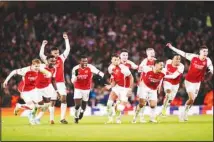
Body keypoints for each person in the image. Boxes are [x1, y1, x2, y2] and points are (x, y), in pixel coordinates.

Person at [166, 43, 213, 121]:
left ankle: (184, 113)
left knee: (192, 101)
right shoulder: (193, 57)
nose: (205, 53)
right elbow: (182, 53)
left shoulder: (208, 60)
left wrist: (211, 71)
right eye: (204, 51)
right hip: (189, 81)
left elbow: (211, 68)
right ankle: (184, 113)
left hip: (197, 83)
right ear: (200, 52)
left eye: (207, 52)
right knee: (191, 98)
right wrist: (172, 47)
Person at [3, 59, 51, 125]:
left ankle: (32, 118)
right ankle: (19, 106)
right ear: (32, 65)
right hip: (25, 91)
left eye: (38, 66)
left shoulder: (39, 68)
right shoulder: (25, 70)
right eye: (36, 66)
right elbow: (13, 72)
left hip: (33, 89)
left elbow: (48, 73)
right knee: (32, 106)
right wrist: (6, 81)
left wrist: (48, 75)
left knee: (41, 105)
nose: (37, 68)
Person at [39, 33, 71, 124]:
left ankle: (62, 118)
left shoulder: (61, 58)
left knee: (64, 99)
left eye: (58, 53)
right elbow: (41, 55)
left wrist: (66, 39)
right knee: (52, 101)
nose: (57, 54)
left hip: (61, 83)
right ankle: (51, 119)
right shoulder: (47, 59)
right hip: (51, 84)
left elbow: (68, 49)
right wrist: (43, 45)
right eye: (55, 53)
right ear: (51, 53)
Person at [71, 55, 104, 124]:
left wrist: (101, 76)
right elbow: (72, 81)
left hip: (86, 89)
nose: (85, 62)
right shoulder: (75, 68)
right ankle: (76, 117)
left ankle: (82, 112)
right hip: (78, 88)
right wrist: (76, 76)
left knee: (84, 104)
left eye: (86, 61)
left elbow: (99, 72)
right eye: (83, 61)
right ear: (80, 62)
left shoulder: (90, 67)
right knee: (77, 105)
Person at [105, 54, 133, 124]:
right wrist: (110, 86)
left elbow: (131, 78)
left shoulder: (124, 68)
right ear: (111, 61)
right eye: (115, 59)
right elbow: (114, 79)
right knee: (109, 104)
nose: (117, 61)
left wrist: (130, 89)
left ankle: (118, 118)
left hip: (124, 89)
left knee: (120, 108)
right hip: (116, 87)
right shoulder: (110, 68)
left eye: (118, 59)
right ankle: (110, 119)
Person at [34, 55, 60, 124]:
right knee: (40, 104)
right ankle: (31, 113)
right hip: (37, 88)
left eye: (54, 61)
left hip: (46, 88)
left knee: (47, 104)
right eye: (51, 61)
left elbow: (53, 80)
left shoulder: (54, 69)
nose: (53, 62)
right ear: (47, 60)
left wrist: (57, 91)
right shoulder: (41, 66)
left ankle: (37, 118)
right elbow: (32, 70)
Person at [136, 48, 156, 123]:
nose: (152, 53)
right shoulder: (145, 61)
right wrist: (148, 68)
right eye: (150, 52)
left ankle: (152, 118)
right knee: (143, 102)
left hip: (153, 84)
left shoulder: (156, 61)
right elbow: (139, 70)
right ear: (147, 53)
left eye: (153, 52)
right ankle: (141, 117)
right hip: (143, 84)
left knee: (153, 103)